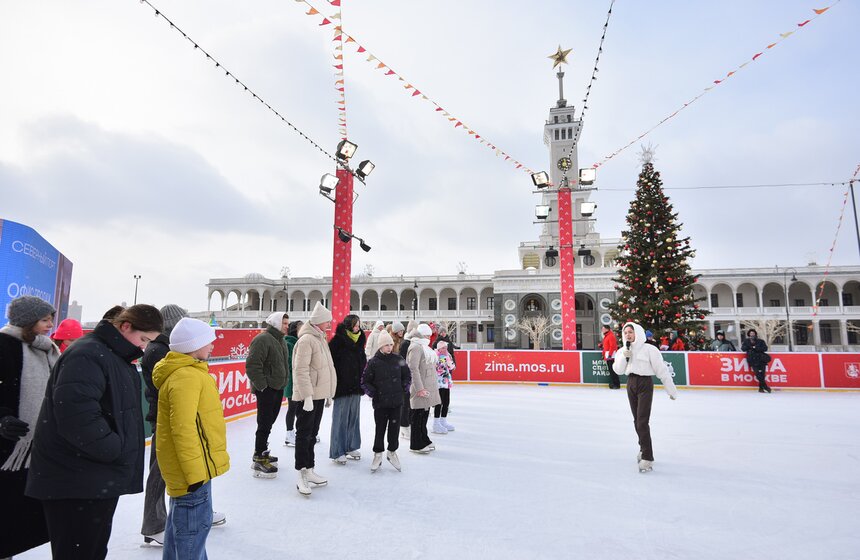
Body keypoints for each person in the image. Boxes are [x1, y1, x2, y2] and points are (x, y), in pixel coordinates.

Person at [26, 304, 163, 560]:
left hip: (94, 477)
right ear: (125, 326)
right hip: (75, 480)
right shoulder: (87, 354)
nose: (145, 347)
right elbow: (76, 416)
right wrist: (115, 449)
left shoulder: (113, 356)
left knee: (93, 550)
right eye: (143, 339)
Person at [140, 305, 226, 546]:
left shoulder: (183, 364)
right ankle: (155, 523)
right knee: (164, 476)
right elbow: (183, 427)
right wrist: (195, 475)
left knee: (177, 483)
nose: (212, 345)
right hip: (169, 427)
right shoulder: (176, 365)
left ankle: (172, 519)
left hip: (176, 431)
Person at [0, 296, 58, 558]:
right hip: (9, 448)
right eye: (45, 320)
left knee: (17, 517)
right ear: (28, 320)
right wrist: (2, 418)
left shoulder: (46, 349)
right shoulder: (4, 345)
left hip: (35, 446)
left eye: (50, 320)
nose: (49, 325)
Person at [612, 322, 678, 473]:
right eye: (626, 332)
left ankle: (647, 457)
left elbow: (662, 370)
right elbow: (619, 370)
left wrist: (671, 390)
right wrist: (624, 357)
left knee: (642, 421)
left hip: (645, 384)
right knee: (637, 420)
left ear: (638, 333)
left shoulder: (650, 349)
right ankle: (643, 449)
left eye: (631, 332)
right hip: (631, 383)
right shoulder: (623, 350)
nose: (628, 335)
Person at [291, 302, 337, 496]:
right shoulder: (307, 340)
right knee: (303, 434)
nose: (330, 324)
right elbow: (301, 371)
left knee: (312, 434)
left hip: (318, 395)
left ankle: (309, 469)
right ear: (319, 321)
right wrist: (307, 396)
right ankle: (301, 473)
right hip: (307, 397)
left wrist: (326, 394)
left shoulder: (320, 338)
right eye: (327, 321)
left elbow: (324, 368)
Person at [246, 311, 290, 478]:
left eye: (287, 324)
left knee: (268, 422)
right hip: (267, 389)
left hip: (277, 388)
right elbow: (252, 365)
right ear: (277, 323)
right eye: (284, 324)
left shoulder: (281, 341)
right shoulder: (262, 339)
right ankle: (258, 457)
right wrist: (263, 386)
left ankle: (263, 451)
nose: (287, 326)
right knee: (264, 424)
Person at [361, 330, 410, 472]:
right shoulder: (373, 362)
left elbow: (407, 376)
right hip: (381, 403)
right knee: (380, 429)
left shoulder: (398, 359)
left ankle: (392, 452)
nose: (389, 347)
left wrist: (403, 389)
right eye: (386, 345)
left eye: (391, 344)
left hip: (396, 402)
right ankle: (378, 453)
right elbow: (365, 381)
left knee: (394, 429)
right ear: (380, 346)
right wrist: (374, 393)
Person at [328, 314, 367, 464]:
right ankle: (337, 451)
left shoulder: (359, 341)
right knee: (340, 419)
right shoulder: (337, 342)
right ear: (349, 326)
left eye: (359, 325)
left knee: (354, 417)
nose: (358, 328)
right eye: (355, 325)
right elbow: (331, 365)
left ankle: (351, 446)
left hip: (356, 386)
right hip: (342, 386)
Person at [407, 324, 441, 454]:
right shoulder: (415, 347)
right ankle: (416, 444)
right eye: (426, 335)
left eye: (429, 335)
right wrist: (419, 388)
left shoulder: (424, 346)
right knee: (418, 415)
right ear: (420, 335)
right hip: (420, 387)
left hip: (428, 386)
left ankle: (423, 438)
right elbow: (413, 369)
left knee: (424, 415)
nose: (428, 337)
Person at [398, 320, 419, 440]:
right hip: (405, 377)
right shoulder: (406, 343)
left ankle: (407, 424)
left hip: (408, 377)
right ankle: (404, 426)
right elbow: (403, 361)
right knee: (405, 402)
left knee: (409, 402)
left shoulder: (410, 342)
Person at [284, 320, 302, 447]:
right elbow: (289, 363)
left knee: (300, 408)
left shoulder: (299, 342)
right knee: (292, 407)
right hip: (292, 381)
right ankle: (289, 433)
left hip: (299, 380)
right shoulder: (288, 343)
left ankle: (298, 431)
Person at [431, 341, 456, 434]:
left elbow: (452, 366)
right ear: (439, 349)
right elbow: (439, 367)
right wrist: (445, 360)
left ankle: (443, 421)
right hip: (438, 383)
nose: (445, 350)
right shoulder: (435, 356)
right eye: (443, 348)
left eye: (446, 348)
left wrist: (448, 360)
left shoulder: (447, 355)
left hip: (446, 382)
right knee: (439, 403)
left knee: (446, 402)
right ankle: (436, 423)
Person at [741, 329, 772, 393]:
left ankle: (761, 388)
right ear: (749, 334)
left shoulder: (760, 341)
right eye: (751, 333)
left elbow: (765, 348)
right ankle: (765, 386)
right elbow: (743, 348)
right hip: (752, 359)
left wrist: (756, 348)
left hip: (761, 359)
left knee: (762, 374)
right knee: (757, 374)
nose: (752, 334)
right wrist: (750, 347)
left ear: (755, 334)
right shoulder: (746, 341)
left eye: (753, 333)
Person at [600, 325, 620, 389]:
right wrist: (603, 354)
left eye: (603, 329)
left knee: (613, 370)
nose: (602, 330)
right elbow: (605, 347)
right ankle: (614, 383)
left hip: (611, 356)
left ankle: (616, 384)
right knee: (611, 370)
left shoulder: (611, 336)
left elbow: (613, 346)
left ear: (607, 329)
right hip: (608, 355)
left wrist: (610, 355)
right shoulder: (606, 336)